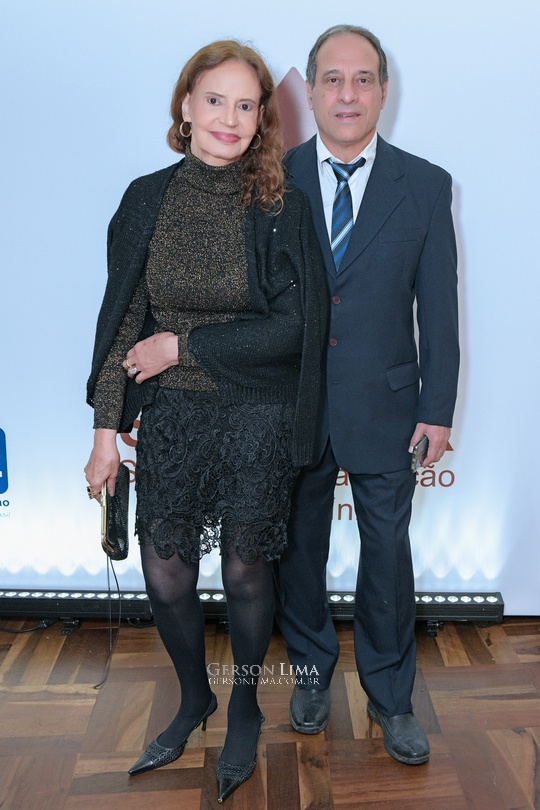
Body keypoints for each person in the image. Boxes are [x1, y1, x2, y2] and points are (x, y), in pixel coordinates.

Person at [84, 40, 327, 803]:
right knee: (166, 572)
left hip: (258, 412)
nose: (229, 117)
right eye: (215, 99)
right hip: (175, 416)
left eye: (245, 104)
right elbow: (122, 323)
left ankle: (245, 704)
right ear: (186, 105)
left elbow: (295, 327)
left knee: (248, 570)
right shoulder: (146, 199)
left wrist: (182, 346)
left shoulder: (282, 207)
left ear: (261, 120)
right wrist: (103, 433)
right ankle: (197, 698)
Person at [274, 24, 459, 765]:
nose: (347, 95)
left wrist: (437, 409)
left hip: (387, 405)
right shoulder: (272, 178)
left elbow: (438, 309)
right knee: (298, 550)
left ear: (384, 90)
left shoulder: (426, 184)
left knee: (387, 555)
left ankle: (390, 696)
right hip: (292, 404)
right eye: (332, 79)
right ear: (313, 91)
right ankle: (311, 672)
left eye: (362, 79)